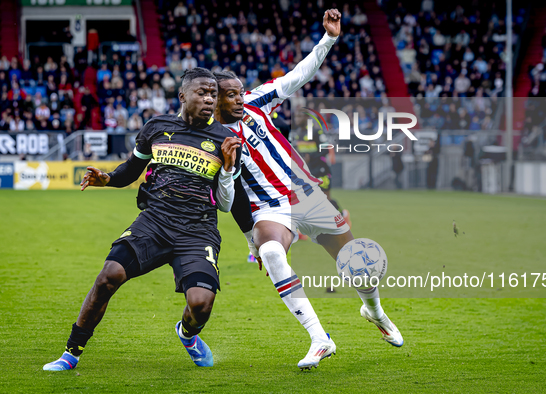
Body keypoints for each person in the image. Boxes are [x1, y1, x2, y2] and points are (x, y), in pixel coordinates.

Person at [215, 9, 403, 371]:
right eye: (231, 95)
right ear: (216, 99)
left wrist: (328, 39)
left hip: (305, 194)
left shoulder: (257, 100)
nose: (239, 99)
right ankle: (320, 338)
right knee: (271, 252)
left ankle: (374, 311)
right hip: (268, 207)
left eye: (240, 92)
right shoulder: (215, 139)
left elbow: (298, 75)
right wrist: (249, 237)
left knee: (357, 265)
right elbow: (231, 199)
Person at [43, 67, 248, 371]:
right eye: (202, 92)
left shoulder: (227, 139)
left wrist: (229, 169)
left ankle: (188, 334)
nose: (209, 99)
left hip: (197, 231)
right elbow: (130, 170)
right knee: (108, 276)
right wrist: (108, 179)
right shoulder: (156, 127)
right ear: (182, 95)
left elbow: (227, 205)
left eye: (213, 95)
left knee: (201, 304)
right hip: (154, 223)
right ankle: (71, 352)